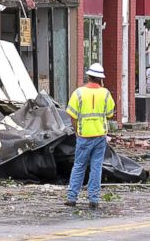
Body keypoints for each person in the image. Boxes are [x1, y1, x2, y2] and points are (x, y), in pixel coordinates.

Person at [65, 63, 116, 209]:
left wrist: (76, 130)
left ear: (88, 76)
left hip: (84, 136)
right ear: (101, 79)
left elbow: (72, 115)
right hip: (99, 136)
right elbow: (110, 115)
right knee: (96, 168)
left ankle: (72, 198)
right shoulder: (105, 94)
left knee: (79, 166)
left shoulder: (78, 93)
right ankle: (93, 199)